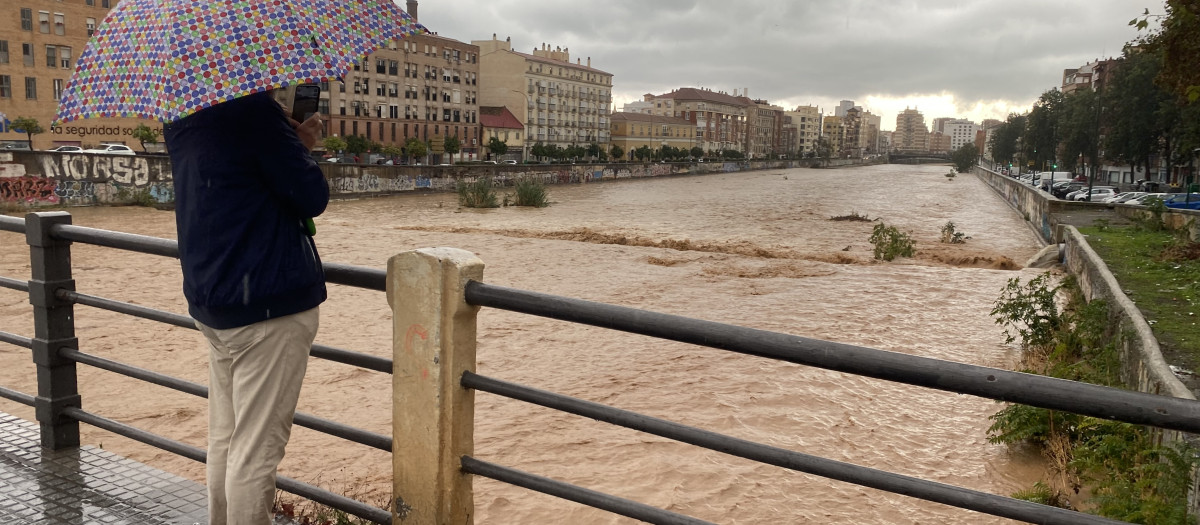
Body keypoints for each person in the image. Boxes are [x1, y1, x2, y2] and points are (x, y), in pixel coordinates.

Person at [164, 90, 328, 525]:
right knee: (255, 452)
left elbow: (234, 185)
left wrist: (283, 140)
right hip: (267, 303)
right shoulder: (255, 113)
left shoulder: (182, 112)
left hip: (214, 298)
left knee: (226, 438)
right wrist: (300, 145)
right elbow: (311, 195)